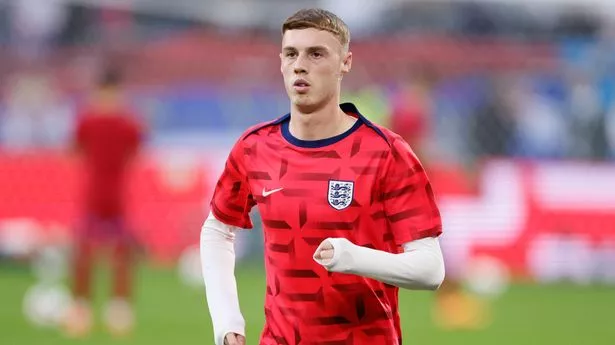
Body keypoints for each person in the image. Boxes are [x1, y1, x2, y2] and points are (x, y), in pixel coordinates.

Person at [200, 8, 445, 345]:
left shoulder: (388, 153)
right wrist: (228, 323)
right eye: (291, 53)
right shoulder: (254, 148)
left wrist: (353, 257)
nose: (300, 64)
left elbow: (431, 269)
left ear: (345, 62)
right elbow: (217, 229)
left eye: (316, 53)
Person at [63, 65, 144, 338]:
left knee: (90, 254)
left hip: (98, 196)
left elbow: (74, 149)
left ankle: (83, 310)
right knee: (114, 254)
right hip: (113, 196)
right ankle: (115, 311)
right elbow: (137, 150)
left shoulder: (88, 119)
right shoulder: (127, 122)